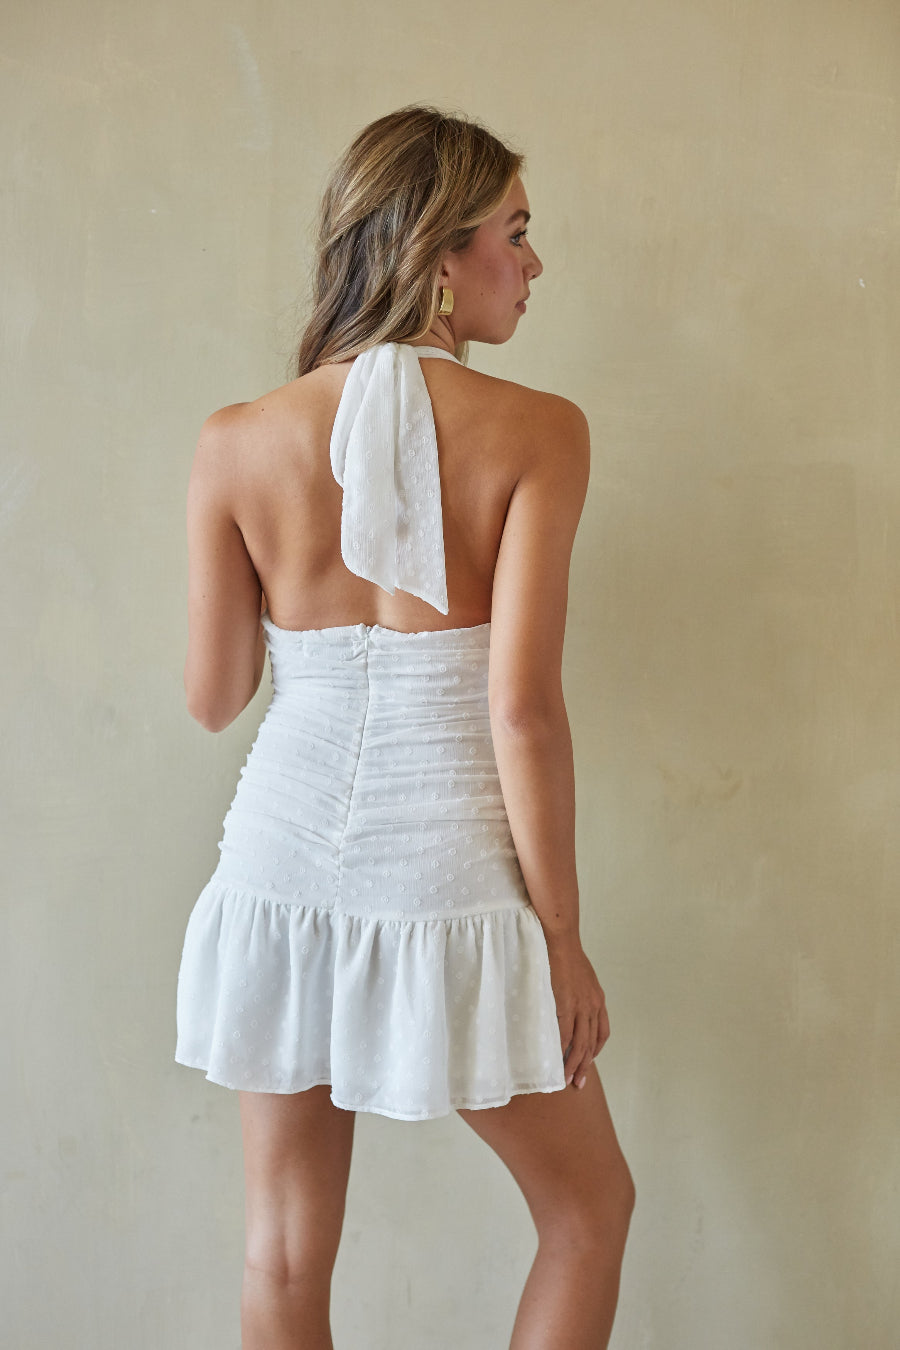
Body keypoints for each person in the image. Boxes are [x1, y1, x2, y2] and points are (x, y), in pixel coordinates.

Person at [174, 104, 634, 1350]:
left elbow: (214, 699)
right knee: (589, 1210)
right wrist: (566, 938)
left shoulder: (234, 441)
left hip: (277, 869)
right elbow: (522, 710)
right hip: (449, 871)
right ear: (440, 256)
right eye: (516, 235)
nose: (534, 265)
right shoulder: (541, 431)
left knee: (281, 1252)